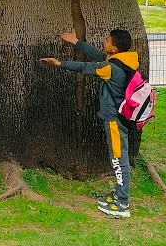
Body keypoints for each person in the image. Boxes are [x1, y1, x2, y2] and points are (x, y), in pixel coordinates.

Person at [40, 29, 139, 218]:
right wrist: (76, 42)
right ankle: (119, 195)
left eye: (107, 40)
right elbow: (99, 55)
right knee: (118, 157)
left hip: (114, 120)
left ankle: (123, 203)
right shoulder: (125, 60)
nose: (104, 41)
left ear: (115, 48)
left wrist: (60, 63)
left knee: (119, 160)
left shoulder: (111, 68)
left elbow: (86, 67)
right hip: (121, 116)